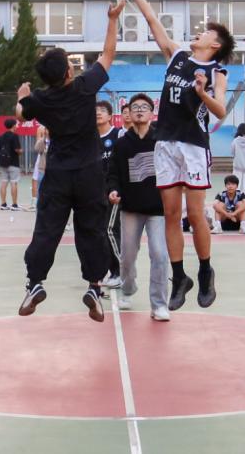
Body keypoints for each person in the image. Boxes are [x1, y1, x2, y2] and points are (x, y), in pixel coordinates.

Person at [114, 0, 235, 311]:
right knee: (170, 213)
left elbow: (220, 111)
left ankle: (206, 271)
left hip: (192, 145)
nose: (199, 32)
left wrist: (202, 92)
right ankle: (180, 277)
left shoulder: (216, 73)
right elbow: (152, 21)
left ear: (215, 45)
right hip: (165, 144)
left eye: (205, 32)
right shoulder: (178, 56)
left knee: (195, 214)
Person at [15, 0, 126, 323]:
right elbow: (108, 54)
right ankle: (94, 286)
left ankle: (35, 283)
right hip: (90, 172)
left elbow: (20, 113)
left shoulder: (41, 99)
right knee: (91, 230)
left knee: (47, 229)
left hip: (58, 174)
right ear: (68, 71)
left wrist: (22, 96)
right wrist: (112, 19)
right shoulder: (84, 87)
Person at [107, 93, 170, 320]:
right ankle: (127, 288)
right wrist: (113, 190)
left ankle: (159, 304)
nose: (140, 110)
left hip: (158, 209)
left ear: (152, 113)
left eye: (144, 107)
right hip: (131, 208)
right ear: (128, 114)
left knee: (160, 254)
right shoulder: (122, 144)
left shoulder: (161, 141)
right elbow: (113, 173)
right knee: (128, 256)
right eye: (135, 107)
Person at [97, 100, 122, 287]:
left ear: (110, 116)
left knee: (111, 230)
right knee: (99, 232)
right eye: (95, 111)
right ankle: (106, 270)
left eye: (102, 110)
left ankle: (120, 271)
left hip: (113, 191)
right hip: (94, 192)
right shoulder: (89, 138)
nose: (98, 113)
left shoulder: (118, 135)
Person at [0, 118, 22, 210]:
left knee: (4, 182)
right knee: (14, 182)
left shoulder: (2, 136)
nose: (17, 126)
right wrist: (21, 151)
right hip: (13, 163)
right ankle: (14, 205)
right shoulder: (14, 136)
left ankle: (3, 204)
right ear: (13, 126)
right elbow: (17, 149)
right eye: (16, 124)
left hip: (3, 162)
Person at [29, 124, 48, 211]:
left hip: (47, 161)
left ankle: (36, 203)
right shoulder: (41, 128)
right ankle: (35, 202)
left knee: (37, 179)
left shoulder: (41, 128)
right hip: (42, 158)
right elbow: (38, 146)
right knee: (36, 179)